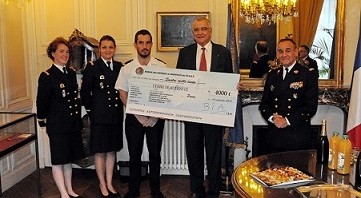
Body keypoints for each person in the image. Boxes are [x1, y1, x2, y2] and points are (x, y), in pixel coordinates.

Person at [176, 17, 233, 198]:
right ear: (193, 33)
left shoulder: (223, 53)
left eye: (203, 29)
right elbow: (180, 81)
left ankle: (213, 190)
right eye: (196, 30)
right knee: (193, 152)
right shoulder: (184, 53)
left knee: (214, 153)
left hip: (214, 112)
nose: (200, 32)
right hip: (191, 111)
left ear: (210, 30)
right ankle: (197, 189)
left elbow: (228, 81)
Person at [115, 29, 166, 198]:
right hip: (133, 119)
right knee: (134, 155)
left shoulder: (161, 67)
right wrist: (139, 115)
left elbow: (165, 94)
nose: (144, 46)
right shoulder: (127, 68)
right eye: (141, 42)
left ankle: (155, 190)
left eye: (147, 42)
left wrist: (154, 116)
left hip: (155, 119)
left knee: (155, 155)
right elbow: (123, 93)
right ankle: (133, 190)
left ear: (151, 44)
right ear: (135, 45)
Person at [36, 37, 85, 198]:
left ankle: (69, 189)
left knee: (68, 158)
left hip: (71, 124)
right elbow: (41, 101)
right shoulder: (47, 76)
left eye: (67, 52)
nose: (65, 55)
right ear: (53, 54)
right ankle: (63, 193)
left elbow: (74, 98)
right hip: (57, 126)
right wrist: (42, 119)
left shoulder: (70, 73)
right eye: (61, 51)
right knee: (58, 160)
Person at [259, 38, 319, 155]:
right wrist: (273, 118)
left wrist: (286, 120)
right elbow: (264, 104)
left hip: (297, 137)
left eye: (288, 51)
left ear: (296, 52)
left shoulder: (308, 75)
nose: (284, 55)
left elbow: (310, 107)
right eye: (280, 51)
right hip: (274, 137)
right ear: (277, 54)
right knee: (274, 172)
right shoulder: (272, 75)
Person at [80, 35, 123, 198]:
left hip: (116, 116)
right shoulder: (92, 67)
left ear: (114, 49)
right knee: (99, 152)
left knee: (112, 150)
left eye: (110, 47)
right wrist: (92, 110)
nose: (107, 50)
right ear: (99, 49)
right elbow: (85, 92)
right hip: (99, 117)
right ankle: (102, 183)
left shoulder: (119, 67)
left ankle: (110, 182)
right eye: (104, 47)